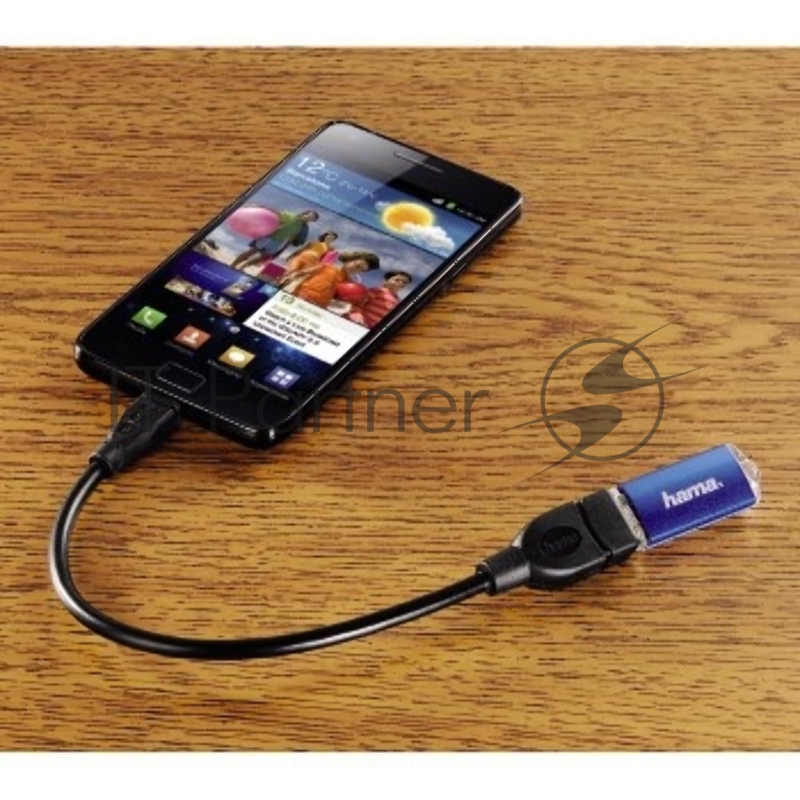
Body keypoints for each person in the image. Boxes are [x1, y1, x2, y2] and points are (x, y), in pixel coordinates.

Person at [230, 209, 319, 272]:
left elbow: (291, 238)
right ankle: (233, 265)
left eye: (311, 219)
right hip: (268, 236)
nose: (309, 218)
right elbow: (275, 217)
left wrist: (282, 249)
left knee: (264, 257)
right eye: (309, 216)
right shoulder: (289, 215)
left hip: (277, 242)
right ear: (305, 213)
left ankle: (244, 265)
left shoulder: (300, 227)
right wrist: (273, 226)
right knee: (251, 251)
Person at [291, 250, 380, 309]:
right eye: (357, 265)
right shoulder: (326, 267)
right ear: (350, 259)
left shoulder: (348, 285)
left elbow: (341, 301)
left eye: (361, 270)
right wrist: (292, 275)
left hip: (316, 308)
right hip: (298, 298)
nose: (356, 270)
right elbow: (300, 273)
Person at [346, 270, 412, 329]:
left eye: (404, 282)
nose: (401, 283)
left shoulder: (398, 301)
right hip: (360, 320)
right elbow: (359, 303)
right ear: (386, 280)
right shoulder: (377, 291)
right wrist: (357, 316)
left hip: (373, 327)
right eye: (397, 280)